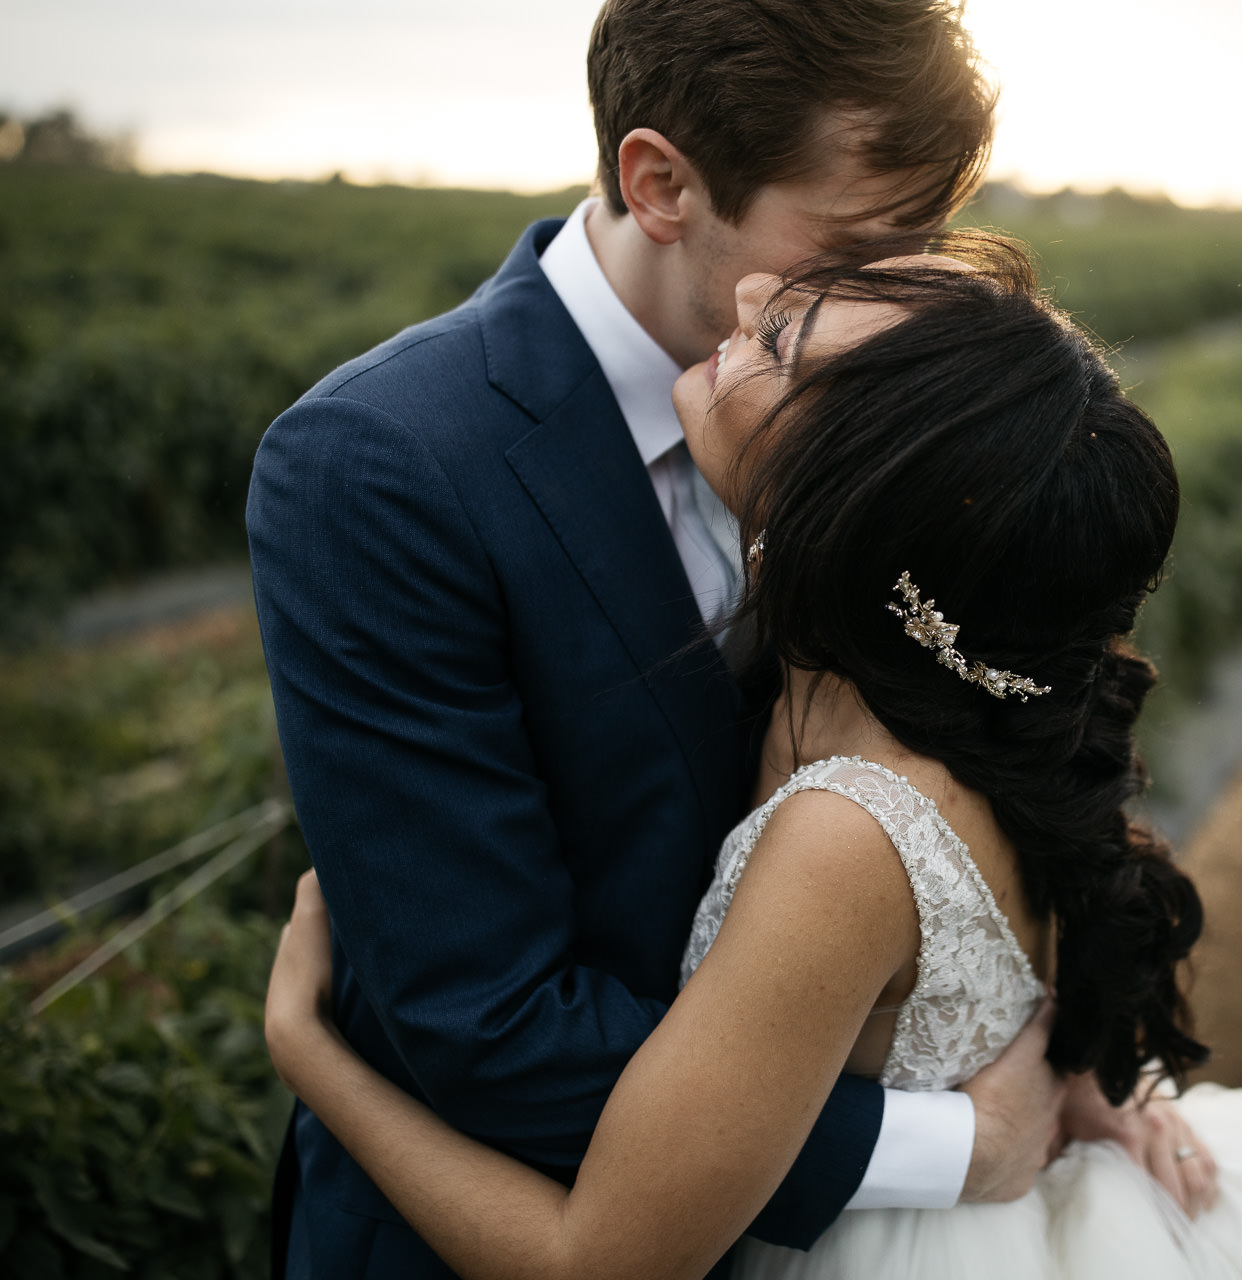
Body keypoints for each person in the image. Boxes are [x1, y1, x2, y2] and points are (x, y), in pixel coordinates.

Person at [264, 240, 1242, 1279]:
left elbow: (595, 1262)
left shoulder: (846, 835)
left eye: (782, 344)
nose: (750, 295)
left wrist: (316, 1054)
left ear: (844, 501)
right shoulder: (967, 706)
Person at [247, 3, 1171, 1277]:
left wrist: (1064, 1047)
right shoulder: (385, 463)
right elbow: (490, 1025)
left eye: (928, 240)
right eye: (859, 243)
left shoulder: (880, 436)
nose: (913, 293)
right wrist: (948, 1138)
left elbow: (999, 741)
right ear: (663, 182)